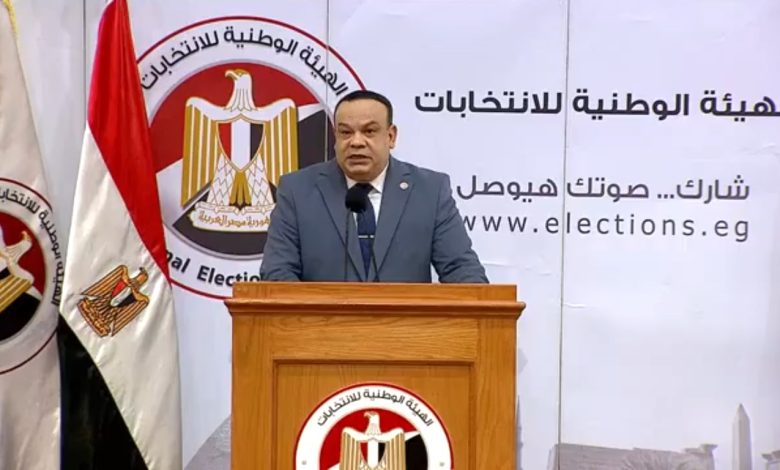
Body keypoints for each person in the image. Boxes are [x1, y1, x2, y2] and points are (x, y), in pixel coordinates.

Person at [259, 89, 488, 283]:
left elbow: (462, 270)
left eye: (369, 131)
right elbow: (277, 273)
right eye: (346, 132)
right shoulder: (297, 190)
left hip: (404, 323)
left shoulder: (430, 191)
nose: (356, 142)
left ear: (391, 136)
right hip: (322, 323)